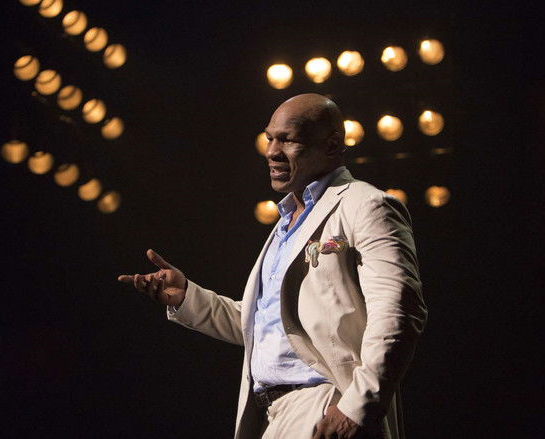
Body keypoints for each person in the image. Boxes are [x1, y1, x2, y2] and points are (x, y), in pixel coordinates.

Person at [118, 94, 427, 439]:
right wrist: (187, 297)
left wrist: (357, 406)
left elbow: (398, 313)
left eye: (288, 139)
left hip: (324, 403)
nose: (272, 151)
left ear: (332, 145)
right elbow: (267, 324)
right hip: (270, 414)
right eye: (269, 138)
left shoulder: (367, 205)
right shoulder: (285, 223)